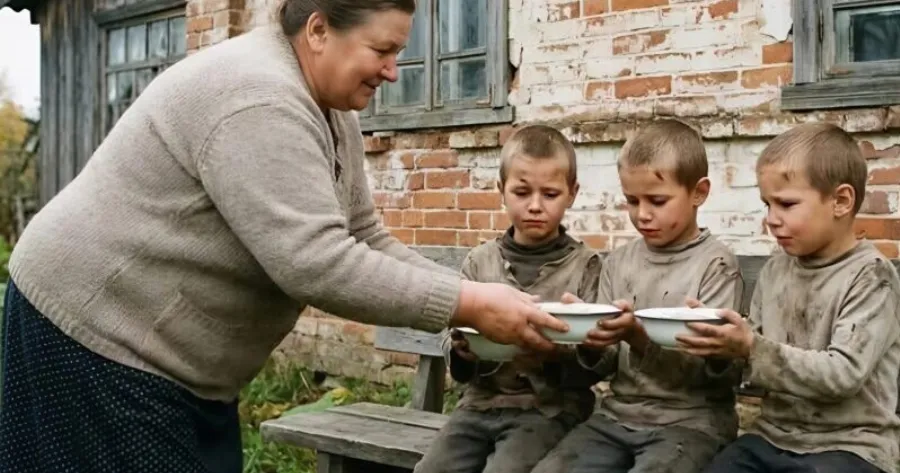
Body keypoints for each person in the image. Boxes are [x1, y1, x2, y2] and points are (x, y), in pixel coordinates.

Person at [0, 1, 569, 471]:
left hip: (176, 360)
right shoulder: (259, 96)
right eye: (383, 50)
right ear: (318, 29)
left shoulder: (327, 102)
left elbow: (363, 235)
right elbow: (316, 262)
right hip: (94, 334)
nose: (394, 70)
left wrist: (489, 299)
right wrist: (468, 303)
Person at [679, 123, 900, 473]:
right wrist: (720, 346)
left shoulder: (871, 276)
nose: (771, 219)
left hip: (850, 444)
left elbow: (843, 375)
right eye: (767, 204)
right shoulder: (777, 269)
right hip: (773, 436)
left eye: (786, 204)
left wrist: (752, 348)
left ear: (841, 201)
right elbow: (753, 358)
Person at [531, 119, 744, 473]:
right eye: (632, 200)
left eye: (657, 201)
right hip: (618, 416)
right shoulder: (620, 261)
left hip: (692, 422)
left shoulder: (715, 264)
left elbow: (713, 374)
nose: (642, 214)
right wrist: (588, 337)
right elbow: (605, 364)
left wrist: (638, 336)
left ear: (699, 192)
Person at [413, 125, 602, 473]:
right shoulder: (480, 262)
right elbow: (451, 336)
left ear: (572, 193)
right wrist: (460, 350)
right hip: (480, 404)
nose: (534, 206)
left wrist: (562, 349)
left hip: (550, 407)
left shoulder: (585, 267)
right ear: (501, 190)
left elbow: (599, 361)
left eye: (550, 194)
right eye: (521, 192)